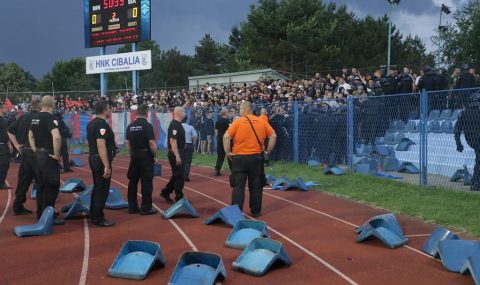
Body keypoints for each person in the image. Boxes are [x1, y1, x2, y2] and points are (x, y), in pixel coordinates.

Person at [223, 101, 277, 218]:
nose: (240, 111)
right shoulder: (262, 122)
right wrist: (268, 151)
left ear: (245, 109)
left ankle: (236, 211)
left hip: (239, 158)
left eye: (241, 109)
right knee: (256, 185)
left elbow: (226, 137)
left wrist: (228, 152)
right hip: (256, 158)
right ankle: (255, 210)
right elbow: (273, 136)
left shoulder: (237, 122)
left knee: (238, 185)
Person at [28, 96, 64, 225]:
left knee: (41, 186)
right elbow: (57, 137)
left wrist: (34, 149)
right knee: (51, 186)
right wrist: (57, 154)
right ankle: (49, 216)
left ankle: (41, 215)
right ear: (52, 105)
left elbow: (30, 135)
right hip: (48, 157)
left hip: (37, 156)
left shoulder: (35, 117)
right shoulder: (49, 118)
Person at [7, 96, 40, 215]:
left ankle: (18, 205)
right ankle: (43, 209)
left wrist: (17, 146)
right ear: (40, 106)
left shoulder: (23, 118)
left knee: (24, 180)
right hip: (38, 153)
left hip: (25, 152)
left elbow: (10, 131)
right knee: (42, 181)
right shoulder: (41, 118)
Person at [86, 101, 116, 227]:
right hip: (100, 159)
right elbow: (101, 145)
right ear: (104, 110)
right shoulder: (101, 124)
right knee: (102, 189)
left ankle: (94, 213)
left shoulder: (91, 123)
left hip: (94, 157)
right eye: (109, 108)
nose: (110, 111)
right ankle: (98, 218)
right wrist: (107, 166)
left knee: (98, 187)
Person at [125, 104, 158, 215]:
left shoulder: (130, 126)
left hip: (134, 156)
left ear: (137, 113)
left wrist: (131, 154)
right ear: (146, 113)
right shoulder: (147, 126)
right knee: (146, 182)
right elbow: (151, 142)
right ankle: (146, 207)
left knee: (132, 182)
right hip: (145, 156)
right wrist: (155, 156)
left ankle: (132, 207)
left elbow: (127, 142)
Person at [455, 92, 480, 191]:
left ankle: (475, 180)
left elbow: (457, 130)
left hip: (470, 140)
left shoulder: (463, 113)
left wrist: (458, 143)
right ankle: (476, 182)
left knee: (478, 159)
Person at [160, 107, 186, 203]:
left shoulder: (178, 124)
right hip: (176, 152)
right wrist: (177, 156)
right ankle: (179, 197)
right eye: (183, 111)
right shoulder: (174, 125)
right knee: (180, 175)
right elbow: (173, 141)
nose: (185, 113)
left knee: (177, 174)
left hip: (179, 151)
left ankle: (166, 192)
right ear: (178, 113)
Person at [214, 108, 231, 176]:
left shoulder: (217, 122)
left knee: (220, 156)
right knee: (229, 155)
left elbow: (216, 131)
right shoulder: (228, 121)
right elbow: (230, 130)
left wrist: (218, 137)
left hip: (220, 140)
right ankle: (232, 170)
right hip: (226, 140)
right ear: (226, 113)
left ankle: (217, 169)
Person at [0, 104, 11, 190]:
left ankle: (2, 182)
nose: (7, 109)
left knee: (5, 164)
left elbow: (7, 133)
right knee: (4, 164)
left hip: (3, 144)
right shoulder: (5, 121)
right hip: (2, 146)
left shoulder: (6, 120)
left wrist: (9, 143)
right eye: (5, 108)